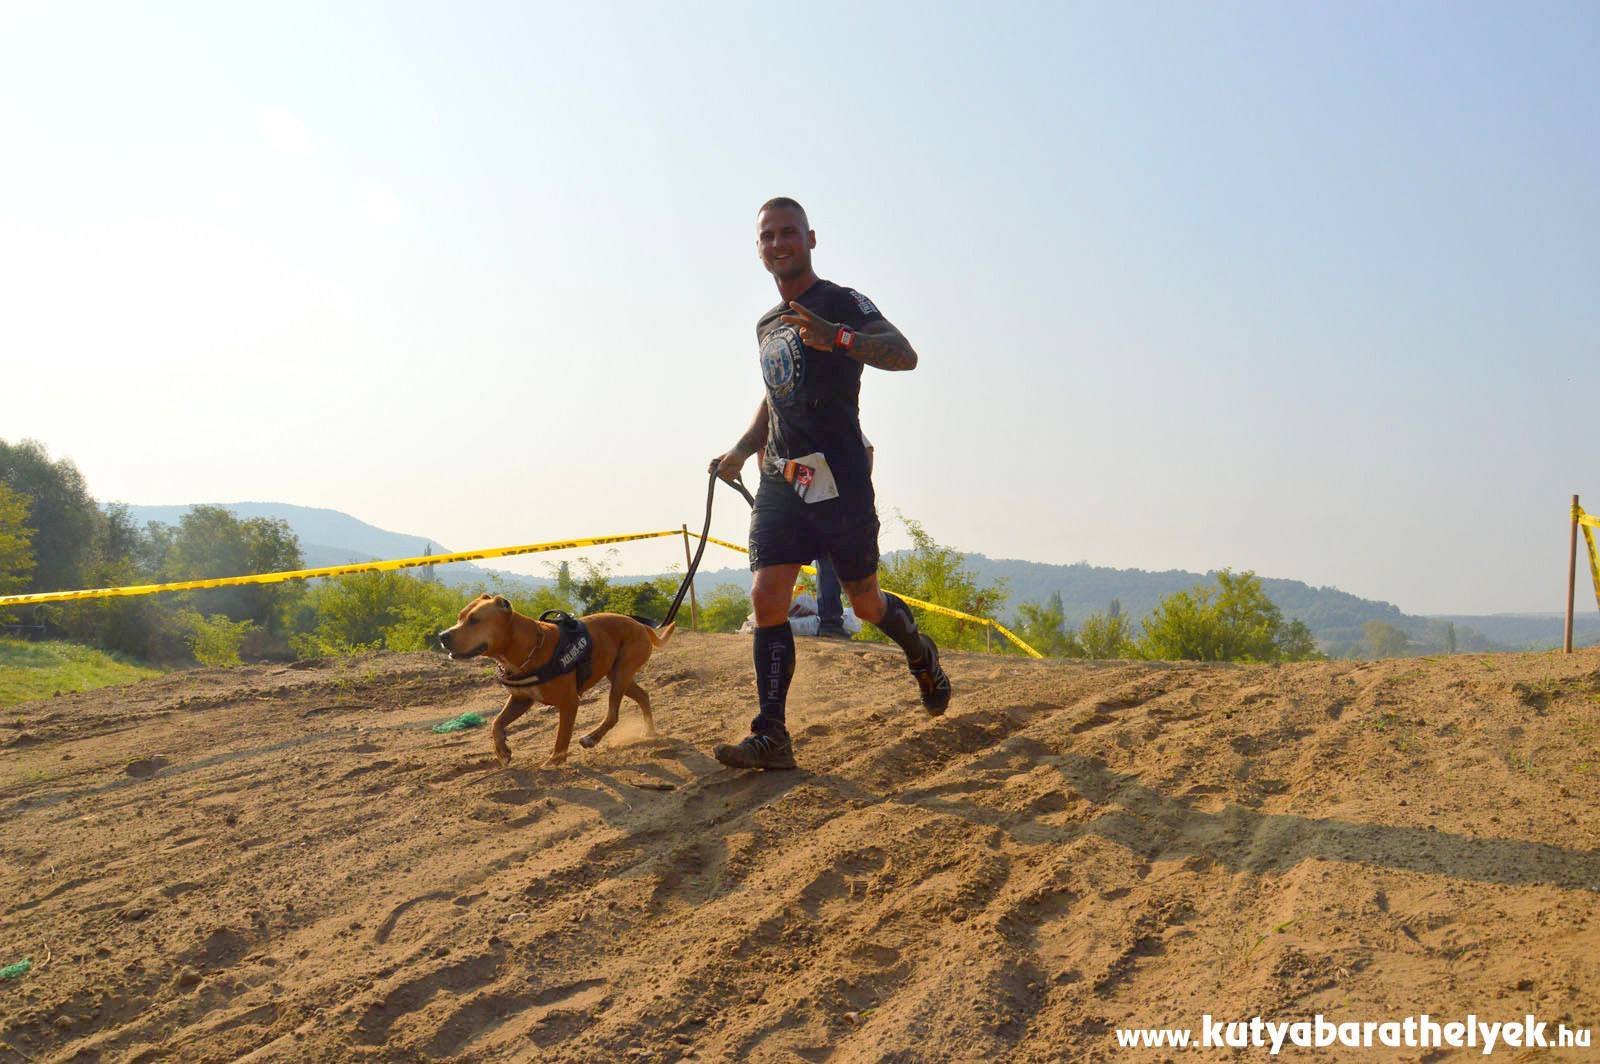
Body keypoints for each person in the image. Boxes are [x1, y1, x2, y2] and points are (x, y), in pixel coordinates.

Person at [710, 197, 951, 771]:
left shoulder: (842, 302)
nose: (778, 244)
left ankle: (921, 654)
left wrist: (837, 338)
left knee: (863, 603)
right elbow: (777, 395)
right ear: (759, 248)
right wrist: (742, 450)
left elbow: (905, 355)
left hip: (838, 476)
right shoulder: (767, 325)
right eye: (767, 236)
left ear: (811, 239)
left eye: (788, 233)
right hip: (782, 477)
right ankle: (772, 733)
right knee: (767, 598)